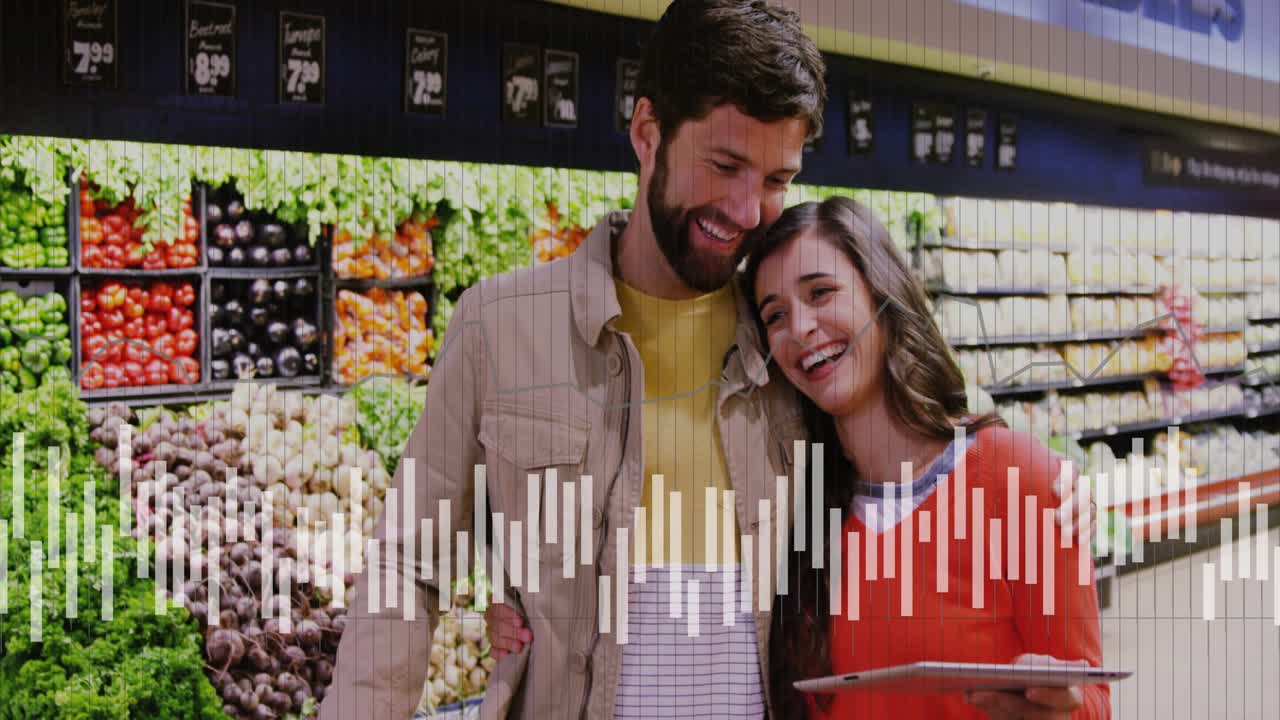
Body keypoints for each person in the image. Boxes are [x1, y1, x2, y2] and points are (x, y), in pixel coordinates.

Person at [328, 2, 1093, 718]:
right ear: (647, 132)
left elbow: (902, 498)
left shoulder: (788, 351)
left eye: (777, 180)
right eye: (725, 165)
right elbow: (407, 565)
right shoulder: (499, 324)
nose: (748, 209)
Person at [747, 197, 1108, 719]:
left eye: (821, 292)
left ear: (883, 297)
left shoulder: (1018, 479)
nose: (800, 327)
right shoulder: (796, 509)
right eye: (775, 314)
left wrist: (1061, 711)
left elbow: (1093, 696)